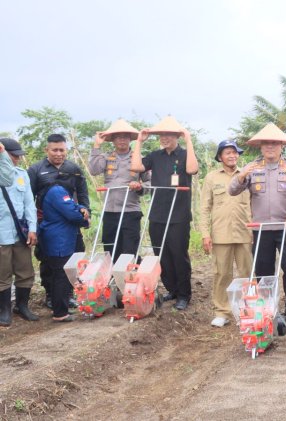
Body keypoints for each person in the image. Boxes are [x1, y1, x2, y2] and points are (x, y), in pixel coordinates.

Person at [229, 124, 286, 323]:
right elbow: (232, 190)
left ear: (281, 146)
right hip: (261, 230)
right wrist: (241, 175)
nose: (270, 147)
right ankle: (267, 306)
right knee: (263, 269)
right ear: (261, 147)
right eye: (266, 144)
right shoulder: (252, 167)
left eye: (274, 143)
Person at [131, 116, 199, 311]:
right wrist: (139, 141)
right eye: (161, 135)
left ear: (177, 135)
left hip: (179, 214)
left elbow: (192, 170)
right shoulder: (155, 156)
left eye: (169, 134)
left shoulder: (185, 154)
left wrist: (188, 139)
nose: (164, 138)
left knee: (178, 254)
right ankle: (172, 289)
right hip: (158, 212)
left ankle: (184, 294)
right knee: (162, 254)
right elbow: (136, 167)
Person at [28, 133, 90, 309]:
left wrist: (85, 211)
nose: (58, 154)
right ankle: (50, 294)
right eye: (54, 150)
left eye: (62, 150)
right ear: (46, 150)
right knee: (49, 260)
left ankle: (68, 294)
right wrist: (33, 226)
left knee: (75, 256)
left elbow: (83, 194)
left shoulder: (74, 168)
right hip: (47, 224)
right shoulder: (36, 170)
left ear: (66, 150)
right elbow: (28, 199)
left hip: (71, 222)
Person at [201, 140, 253, 327]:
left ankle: (248, 309)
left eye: (235, 152)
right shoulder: (211, 178)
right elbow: (205, 208)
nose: (232, 156)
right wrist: (205, 234)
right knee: (222, 273)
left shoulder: (247, 175)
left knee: (247, 273)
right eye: (227, 153)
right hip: (221, 233)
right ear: (220, 157)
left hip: (245, 232)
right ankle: (222, 311)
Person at [88, 119, 150, 262]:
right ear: (113, 140)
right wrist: (97, 145)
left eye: (125, 137)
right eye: (118, 137)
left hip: (130, 211)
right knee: (110, 249)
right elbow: (93, 170)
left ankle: (130, 280)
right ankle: (113, 280)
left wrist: (140, 187)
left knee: (130, 250)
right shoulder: (105, 157)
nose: (122, 140)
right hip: (110, 212)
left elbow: (150, 181)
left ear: (130, 139)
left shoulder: (139, 158)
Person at [37, 176, 91, 322]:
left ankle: (61, 308)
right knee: (61, 274)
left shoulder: (56, 190)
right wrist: (85, 218)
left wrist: (82, 208)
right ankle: (60, 313)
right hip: (59, 239)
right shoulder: (58, 191)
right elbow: (72, 214)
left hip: (59, 237)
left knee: (60, 274)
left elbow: (74, 207)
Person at [0, 139, 37, 326]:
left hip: (20, 233)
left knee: (25, 271)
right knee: (2, 273)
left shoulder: (22, 175)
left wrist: (32, 229)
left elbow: (29, 204)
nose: (17, 159)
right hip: (1, 235)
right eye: (13, 156)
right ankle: (4, 310)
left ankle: (22, 306)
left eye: (18, 156)